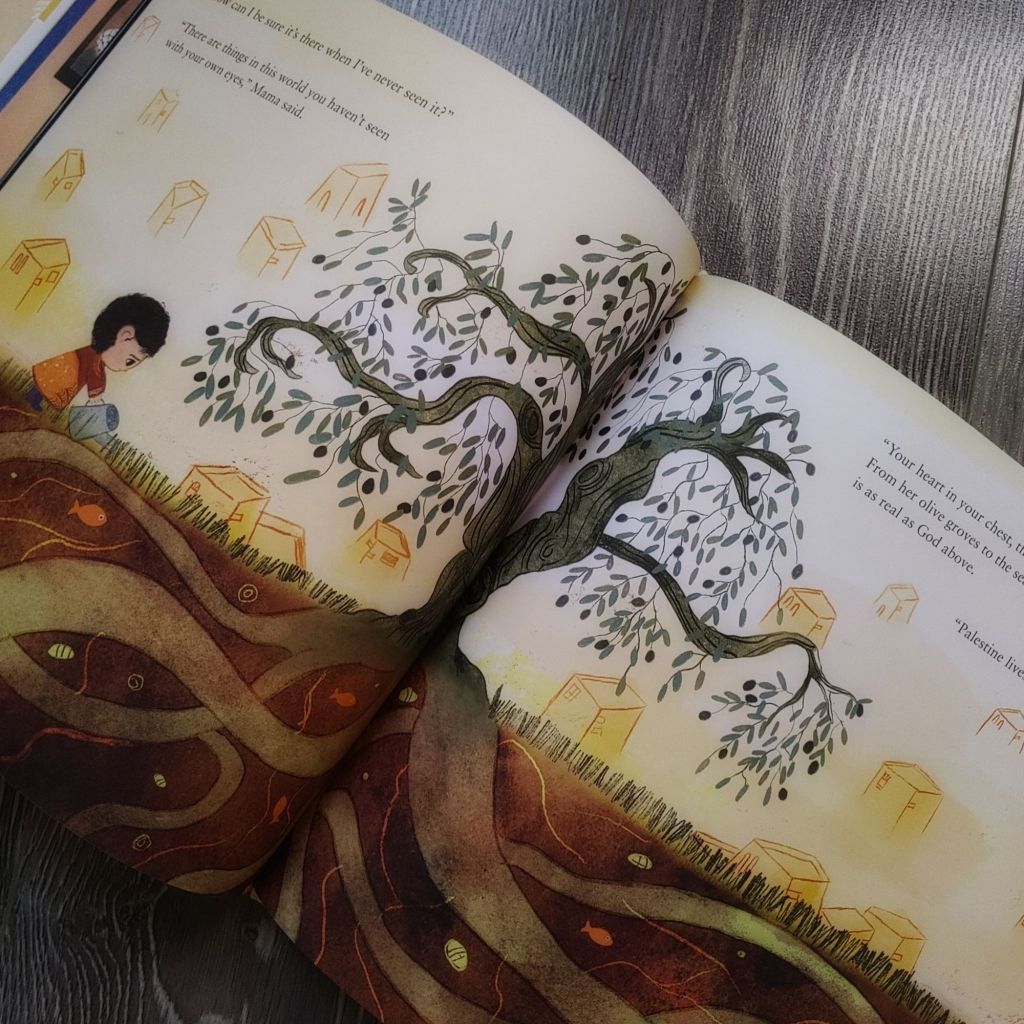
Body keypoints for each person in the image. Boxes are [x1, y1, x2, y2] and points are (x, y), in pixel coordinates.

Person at [27, 293, 169, 412]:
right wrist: (96, 398)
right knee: (50, 386)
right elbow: (95, 380)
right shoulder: (95, 361)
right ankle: (32, 399)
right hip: (66, 371)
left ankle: (33, 397)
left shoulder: (91, 352)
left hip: (64, 366)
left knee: (45, 385)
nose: (125, 369)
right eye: (130, 361)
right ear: (125, 336)